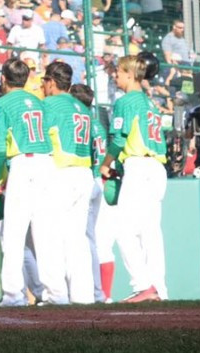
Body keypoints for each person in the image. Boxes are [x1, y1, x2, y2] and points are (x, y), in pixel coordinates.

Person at [0, 59, 65, 306]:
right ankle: (57, 294)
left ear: (3, 79)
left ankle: (13, 295)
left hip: (24, 163)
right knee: (47, 234)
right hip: (47, 163)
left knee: (13, 234)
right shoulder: (39, 103)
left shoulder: (0, 103)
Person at [102, 54, 168, 303]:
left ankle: (142, 285)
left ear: (130, 75)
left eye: (118, 72)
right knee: (151, 232)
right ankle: (159, 289)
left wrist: (106, 165)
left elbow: (119, 139)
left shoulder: (126, 100)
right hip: (157, 168)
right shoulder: (149, 102)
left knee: (124, 230)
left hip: (139, 167)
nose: (115, 75)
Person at [41, 61, 95, 304]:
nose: (43, 85)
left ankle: (56, 294)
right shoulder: (82, 107)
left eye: (44, 80)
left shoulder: (49, 104)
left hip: (60, 171)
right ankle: (83, 296)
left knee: (51, 235)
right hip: (83, 172)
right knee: (77, 238)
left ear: (51, 82)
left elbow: (40, 141)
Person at [71, 83, 118, 303]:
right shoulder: (97, 123)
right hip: (103, 180)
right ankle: (103, 294)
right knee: (100, 242)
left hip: (89, 178)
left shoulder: (79, 121)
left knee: (84, 239)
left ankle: (95, 293)